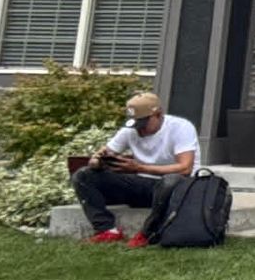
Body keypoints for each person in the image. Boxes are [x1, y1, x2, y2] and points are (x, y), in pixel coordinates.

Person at [72, 92, 202, 247]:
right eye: (135, 124)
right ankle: (106, 230)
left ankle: (148, 232)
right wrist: (98, 161)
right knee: (83, 176)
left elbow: (185, 168)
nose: (139, 130)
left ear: (158, 114)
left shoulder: (180, 127)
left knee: (170, 180)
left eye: (143, 124)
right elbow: (101, 155)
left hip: (178, 189)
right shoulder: (130, 130)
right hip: (143, 184)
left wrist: (139, 168)